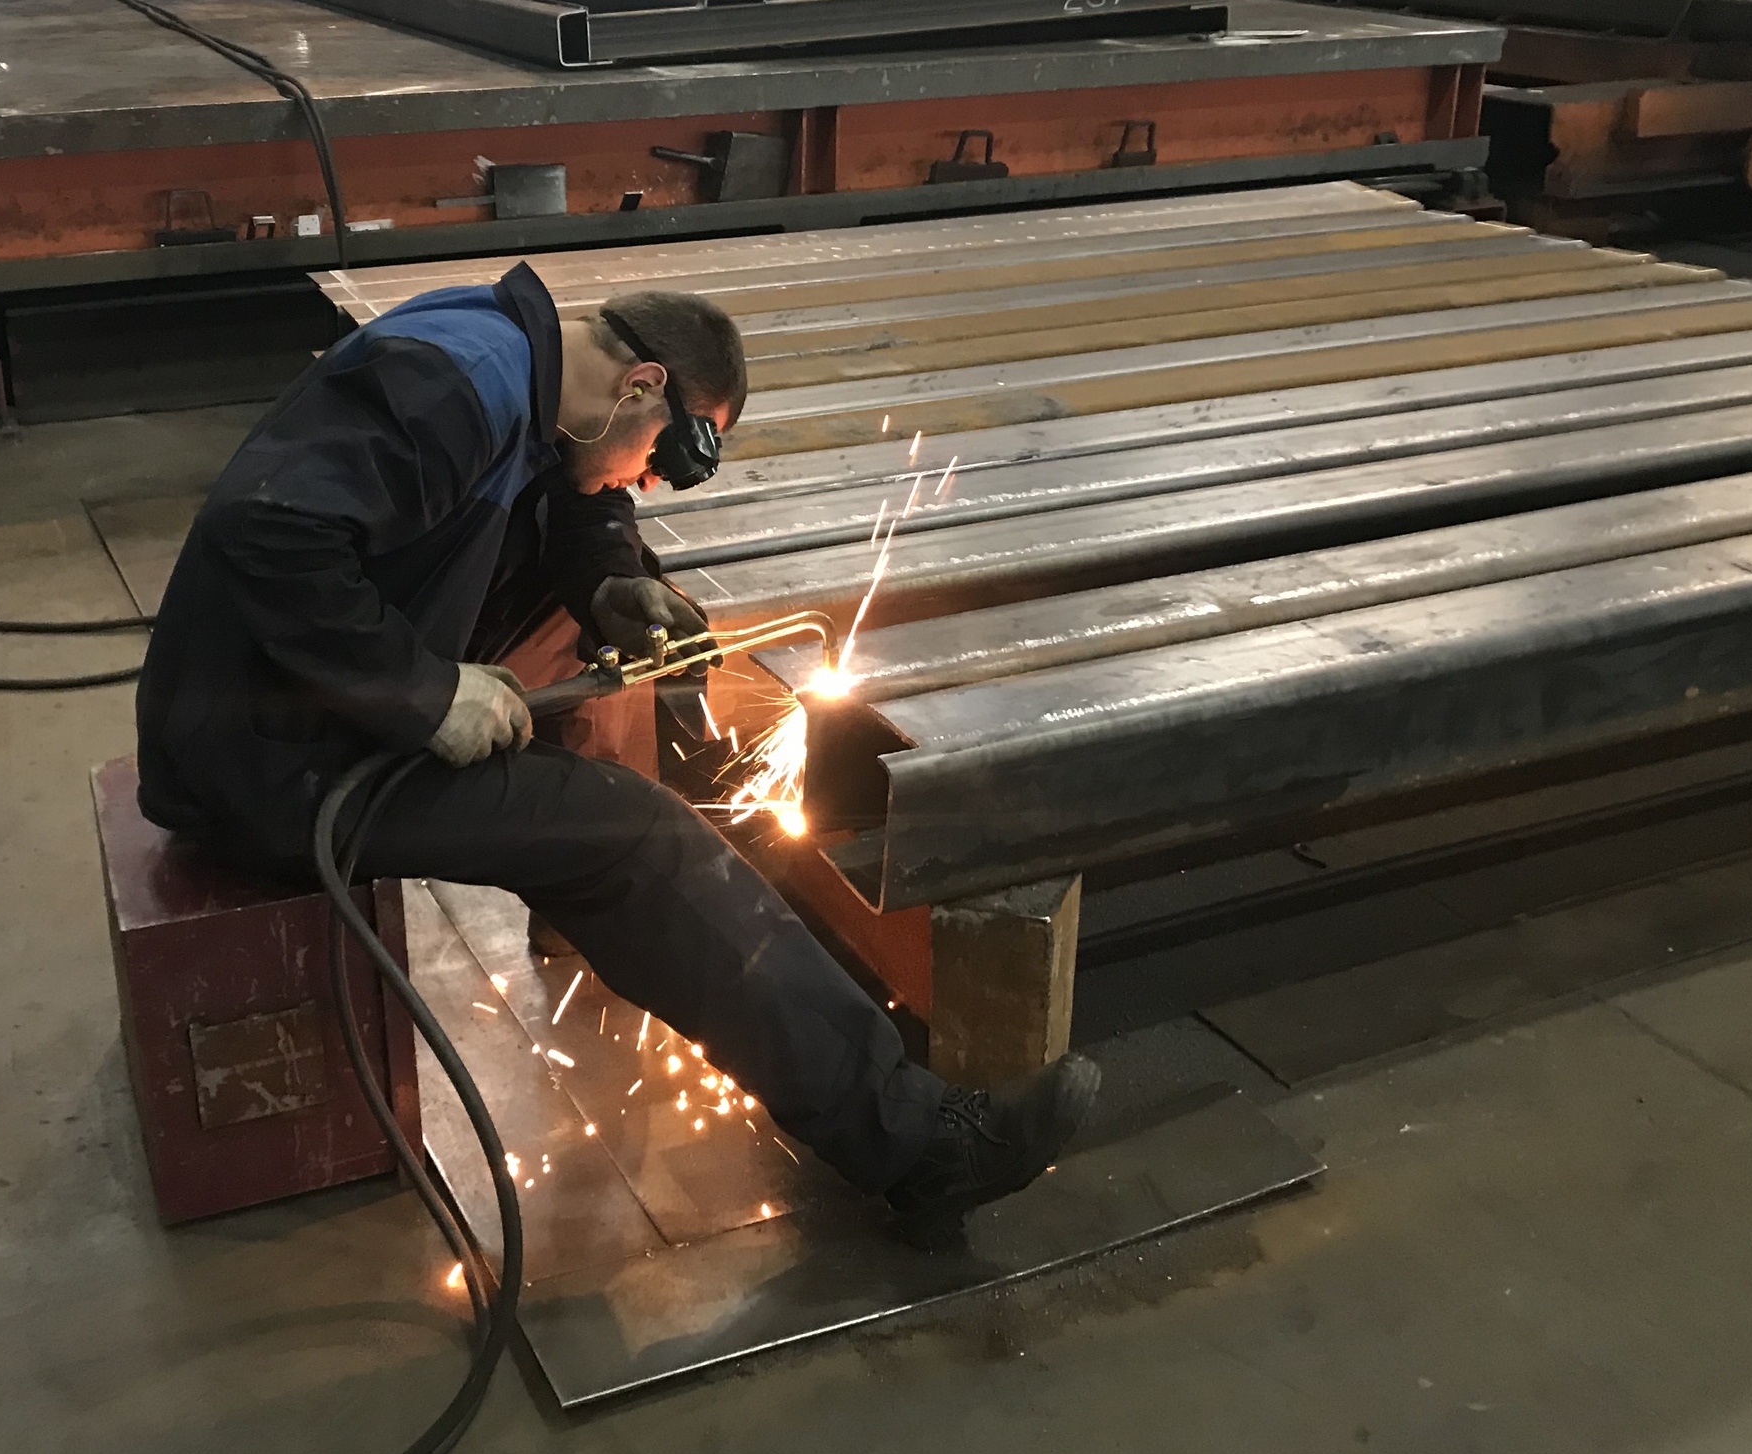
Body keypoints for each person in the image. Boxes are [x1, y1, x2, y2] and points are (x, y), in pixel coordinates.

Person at [134, 263, 1100, 1232]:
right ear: (641, 384)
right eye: (661, 456)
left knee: (589, 661)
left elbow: (576, 497)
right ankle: (917, 1146)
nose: (644, 481)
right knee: (633, 835)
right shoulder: (451, 387)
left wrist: (608, 583)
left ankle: (596, 905)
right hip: (273, 766)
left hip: (302, 713)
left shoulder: (527, 374)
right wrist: (425, 694)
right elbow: (269, 532)